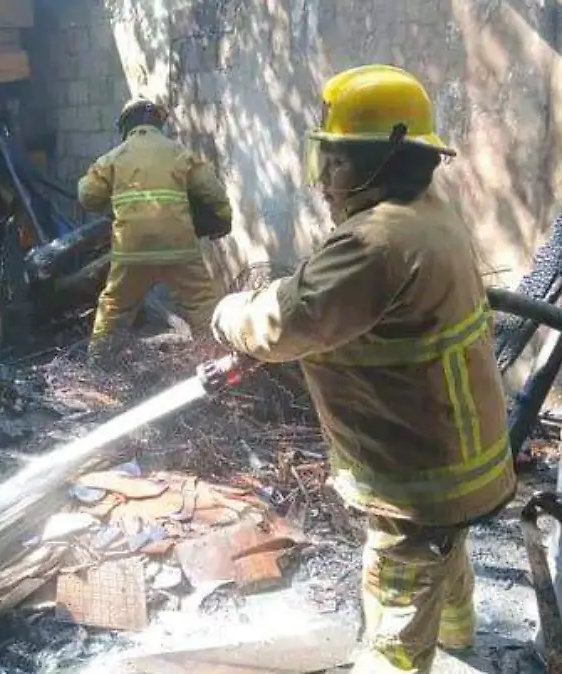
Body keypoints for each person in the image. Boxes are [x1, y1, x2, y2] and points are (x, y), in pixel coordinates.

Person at [209, 65, 516, 673]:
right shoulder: (426, 212)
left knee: (395, 609)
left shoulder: (374, 242)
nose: (324, 180)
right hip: (458, 458)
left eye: (337, 162)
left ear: (382, 161)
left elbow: (282, 325)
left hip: (414, 473)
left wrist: (227, 313)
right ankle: (459, 645)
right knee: (445, 553)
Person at [78, 97, 233, 367]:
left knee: (114, 306)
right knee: (201, 304)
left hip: (132, 253)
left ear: (126, 125)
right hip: (179, 250)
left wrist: (111, 201)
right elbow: (213, 191)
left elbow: (87, 195)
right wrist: (223, 219)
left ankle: (98, 365)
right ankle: (218, 362)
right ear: (158, 123)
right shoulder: (179, 153)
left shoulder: (114, 158)